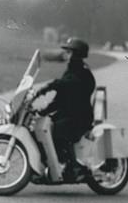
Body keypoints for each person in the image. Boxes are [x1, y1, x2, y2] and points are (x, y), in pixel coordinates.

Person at [38, 36, 96, 181]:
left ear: (76, 54)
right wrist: (43, 111)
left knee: (58, 130)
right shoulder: (71, 70)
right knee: (44, 125)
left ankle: (73, 167)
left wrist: (51, 85)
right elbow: (60, 98)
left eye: (69, 52)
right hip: (69, 113)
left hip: (80, 117)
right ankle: (52, 164)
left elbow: (69, 84)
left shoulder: (82, 72)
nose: (66, 55)